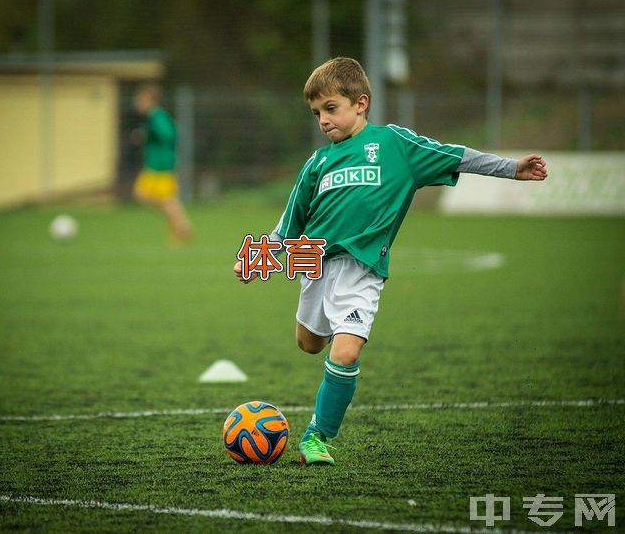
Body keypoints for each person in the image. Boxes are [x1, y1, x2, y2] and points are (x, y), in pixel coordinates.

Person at [233, 57, 547, 466]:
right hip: (315, 266)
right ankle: (332, 337)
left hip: (363, 271)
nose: (323, 120)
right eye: (316, 113)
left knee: (345, 354)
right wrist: (258, 257)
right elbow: (289, 223)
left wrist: (510, 168)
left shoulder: (395, 145)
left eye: (331, 108)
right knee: (309, 344)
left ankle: (317, 436)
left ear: (360, 103)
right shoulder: (317, 163)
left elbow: (456, 155)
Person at [132, 83, 192, 242]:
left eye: (141, 99)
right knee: (154, 198)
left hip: (160, 165)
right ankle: (181, 225)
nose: (138, 102)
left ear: (150, 100)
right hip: (156, 164)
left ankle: (182, 226)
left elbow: (169, 134)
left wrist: (149, 135)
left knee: (154, 197)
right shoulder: (154, 117)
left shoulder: (156, 116)